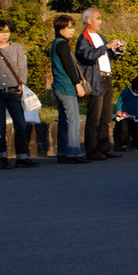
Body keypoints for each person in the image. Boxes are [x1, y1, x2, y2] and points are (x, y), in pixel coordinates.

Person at [75, 7, 125, 161]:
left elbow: (105, 56)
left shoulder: (100, 37)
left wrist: (117, 50)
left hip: (106, 78)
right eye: (98, 18)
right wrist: (106, 46)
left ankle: (105, 147)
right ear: (89, 20)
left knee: (105, 116)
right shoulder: (83, 40)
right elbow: (89, 56)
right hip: (95, 80)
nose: (101, 21)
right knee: (94, 117)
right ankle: (92, 149)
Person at [0, 19, 40, 169]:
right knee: (0, 126)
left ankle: (22, 157)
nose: (5, 35)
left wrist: (22, 84)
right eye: (1, 32)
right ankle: (3, 157)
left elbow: (22, 68)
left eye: (7, 31)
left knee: (20, 124)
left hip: (14, 91)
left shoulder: (17, 48)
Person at [49, 15, 90, 164]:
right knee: (72, 121)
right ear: (61, 29)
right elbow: (68, 66)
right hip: (66, 86)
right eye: (69, 27)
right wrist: (77, 83)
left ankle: (63, 152)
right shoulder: (63, 45)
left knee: (63, 121)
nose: (72, 30)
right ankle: (74, 152)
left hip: (58, 86)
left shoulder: (55, 44)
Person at [115, 76, 138, 151]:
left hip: (136, 114)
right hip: (125, 114)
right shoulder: (126, 92)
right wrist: (119, 110)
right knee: (124, 129)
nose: (137, 92)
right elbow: (119, 101)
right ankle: (123, 144)